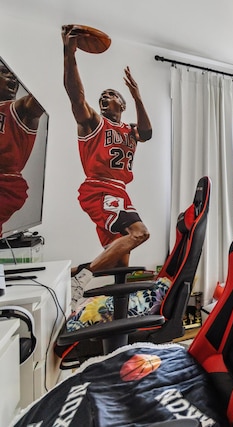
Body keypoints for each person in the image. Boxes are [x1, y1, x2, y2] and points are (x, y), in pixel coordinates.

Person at [62, 25, 153, 309]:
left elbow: (148, 134)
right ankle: (82, 280)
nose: (104, 97)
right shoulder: (92, 122)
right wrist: (69, 54)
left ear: (122, 104)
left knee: (119, 264)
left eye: (110, 94)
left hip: (118, 191)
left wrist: (138, 96)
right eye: (102, 95)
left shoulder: (129, 128)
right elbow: (75, 95)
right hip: (99, 187)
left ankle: (72, 279)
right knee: (140, 233)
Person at [0, 61, 45, 235]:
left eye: (14, 75)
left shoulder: (18, 109)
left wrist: (66, 53)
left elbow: (41, 95)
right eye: (5, 72)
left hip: (5, 183)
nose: (12, 77)